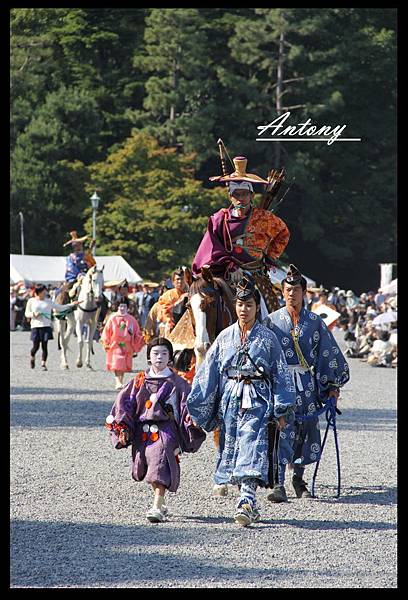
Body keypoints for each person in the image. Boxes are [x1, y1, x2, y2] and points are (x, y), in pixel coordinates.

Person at [186, 277, 296, 526]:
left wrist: (281, 408)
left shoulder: (268, 338)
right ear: (234, 307)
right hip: (231, 399)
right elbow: (209, 372)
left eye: (249, 305)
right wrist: (197, 401)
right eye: (240, 305)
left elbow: (280, 373)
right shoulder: (225, 337)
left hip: (258, 398)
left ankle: (247, 500)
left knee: (252, 443)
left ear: (257, 308)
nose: (244, 310)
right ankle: (247, 498)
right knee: (232, 447)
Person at [263, 265, 350, 502]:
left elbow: (328, 353)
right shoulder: (270, 322)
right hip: (281, 385)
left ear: (304, 292)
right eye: (288, 290)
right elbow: (262, 355)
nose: (292, 294)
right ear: (282, 293)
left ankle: (298, 479)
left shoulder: (315, 322)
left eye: (296, 290)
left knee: (307, 429)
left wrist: (332, 386)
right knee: (282, 429)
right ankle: (278, 483)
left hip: (306, 383)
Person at [105, 337, 206, 523]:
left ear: (170, 358)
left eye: (164, 353)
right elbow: (124, 403)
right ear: (149, 357)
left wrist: (193, 421)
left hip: (166, 430)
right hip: (142, 431)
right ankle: (160, 499)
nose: (160, 357)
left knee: (161, 458)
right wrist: (123, 426)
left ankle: (157, 506)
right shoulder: (139, 380)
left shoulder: (178, 382)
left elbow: (187, 406)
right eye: (155, 353)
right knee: (149, 464)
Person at [191, 156, 290, 316]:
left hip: (255, 275)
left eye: (244, 194)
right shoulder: (219, 218)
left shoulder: (264, 217)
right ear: (230, 196)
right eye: (236, 194)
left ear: (252, 196)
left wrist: (269, 257)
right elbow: (212, 248)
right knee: (200, 303)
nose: (240, 198)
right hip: (225, 273)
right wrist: (231, 266)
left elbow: (283, 233)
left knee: (271, 313)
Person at [24, 284, 79, 370]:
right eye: (43, 291)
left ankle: (43, 364)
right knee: (36, 346)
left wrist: (72, 304)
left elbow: (60, 308)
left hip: (46, 326)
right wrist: (33, 314)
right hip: (36, 326)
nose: (45, 293)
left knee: (44, 346)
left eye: (45, 291)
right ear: (38, 292)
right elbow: (26, 313)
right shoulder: (31, 301)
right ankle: (32, 356)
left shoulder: (48, 301)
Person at [100, 299, 145, 389]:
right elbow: (107, 331)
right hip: (115, 344)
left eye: (124, 306)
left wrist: (141, 339)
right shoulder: (112, 318)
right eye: (120, 306)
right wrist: (106, 341)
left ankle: (121, 381)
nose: (122, 308)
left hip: (127, 345)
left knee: (123, 365)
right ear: (117, 307)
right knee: (117, 362)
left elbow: (137, 332)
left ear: (127, 308)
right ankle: (117, 381)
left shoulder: (131, 319)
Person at [155, 269, 189, 337]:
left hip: (187, 328)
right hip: (171, 327)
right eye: (177, 279)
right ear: (173, 282)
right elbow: (163, 313)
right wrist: (179, 302)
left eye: (182, 279)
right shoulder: (167, 295)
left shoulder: (190, 294)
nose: (180, 281)